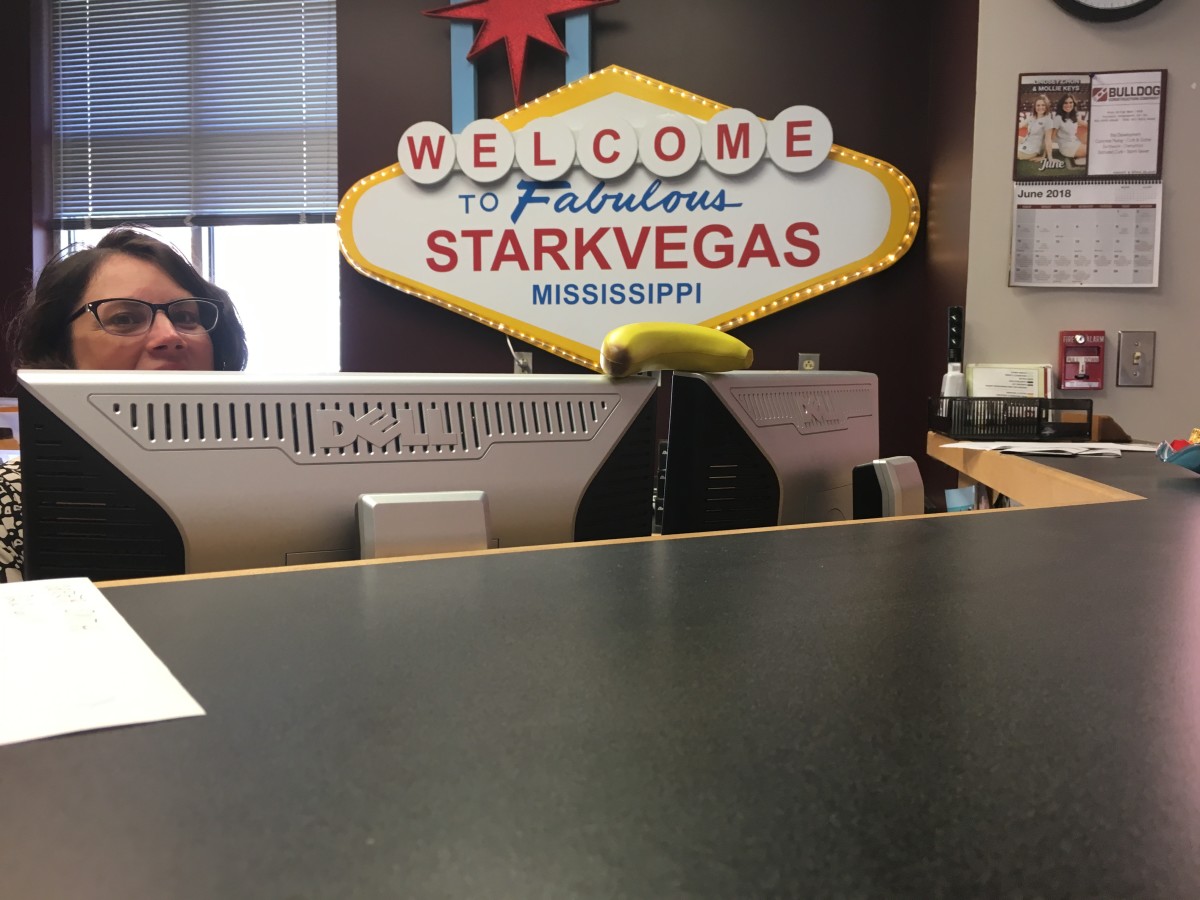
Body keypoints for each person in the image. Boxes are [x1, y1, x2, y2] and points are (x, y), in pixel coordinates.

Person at [0, 226, 248, 582]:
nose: (170, 336)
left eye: (185, 317)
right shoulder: (11, 499)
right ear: (60, 350)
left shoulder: (272, 483)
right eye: (125, 318)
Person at [1050, 93, 1087, 165]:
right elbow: (1052, 137)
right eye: (1065, 103)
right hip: (1067, 147)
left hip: (1075, 142)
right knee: (1092, 150)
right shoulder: (1058, 118)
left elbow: (1086, 125)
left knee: (1090, 136)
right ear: (1061, 104)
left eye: (1070, 102)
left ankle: (1081, 155)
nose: (1068, 105)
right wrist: (1048, 154)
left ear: (1073, 104)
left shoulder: (1074, 116)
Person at [1016, 93, 1054, 162]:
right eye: (1038, 105)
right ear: (1035, 107)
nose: (1040, 107)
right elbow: (1020, 125)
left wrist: (1046, 157)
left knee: (1012, 152)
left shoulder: (1048, 121)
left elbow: (1048, 140)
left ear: (1046, 106)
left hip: (1033, 149)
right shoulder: (1032, 117)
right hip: (1026, 142)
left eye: (1043, 105)